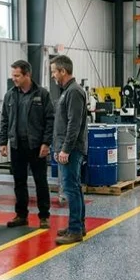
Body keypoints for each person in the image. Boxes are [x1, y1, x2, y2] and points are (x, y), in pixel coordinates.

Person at [0, 60, 55, 229]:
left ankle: (44, 216)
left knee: (40, 181)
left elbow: (50, 120)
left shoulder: (42, 94)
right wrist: (3, 142)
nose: (14, 79)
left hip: (36, 145)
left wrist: (46, 142)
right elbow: (5, 119)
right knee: (19, 181)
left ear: (27, 75)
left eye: (17, 75)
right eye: (13, 75)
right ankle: (21, 215)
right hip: (17, 145)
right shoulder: (10, 95)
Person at [50, 55, 89, 245]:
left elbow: (74, 124)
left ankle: (75, 230)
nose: (53, 76)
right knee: (75, 187)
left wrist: (65, 149)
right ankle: (78, 226)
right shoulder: (68, 91)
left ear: (63, 71)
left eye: (54, 72)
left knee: (71, 189)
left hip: (72, 149)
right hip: (67, 148)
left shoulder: (74, 92)